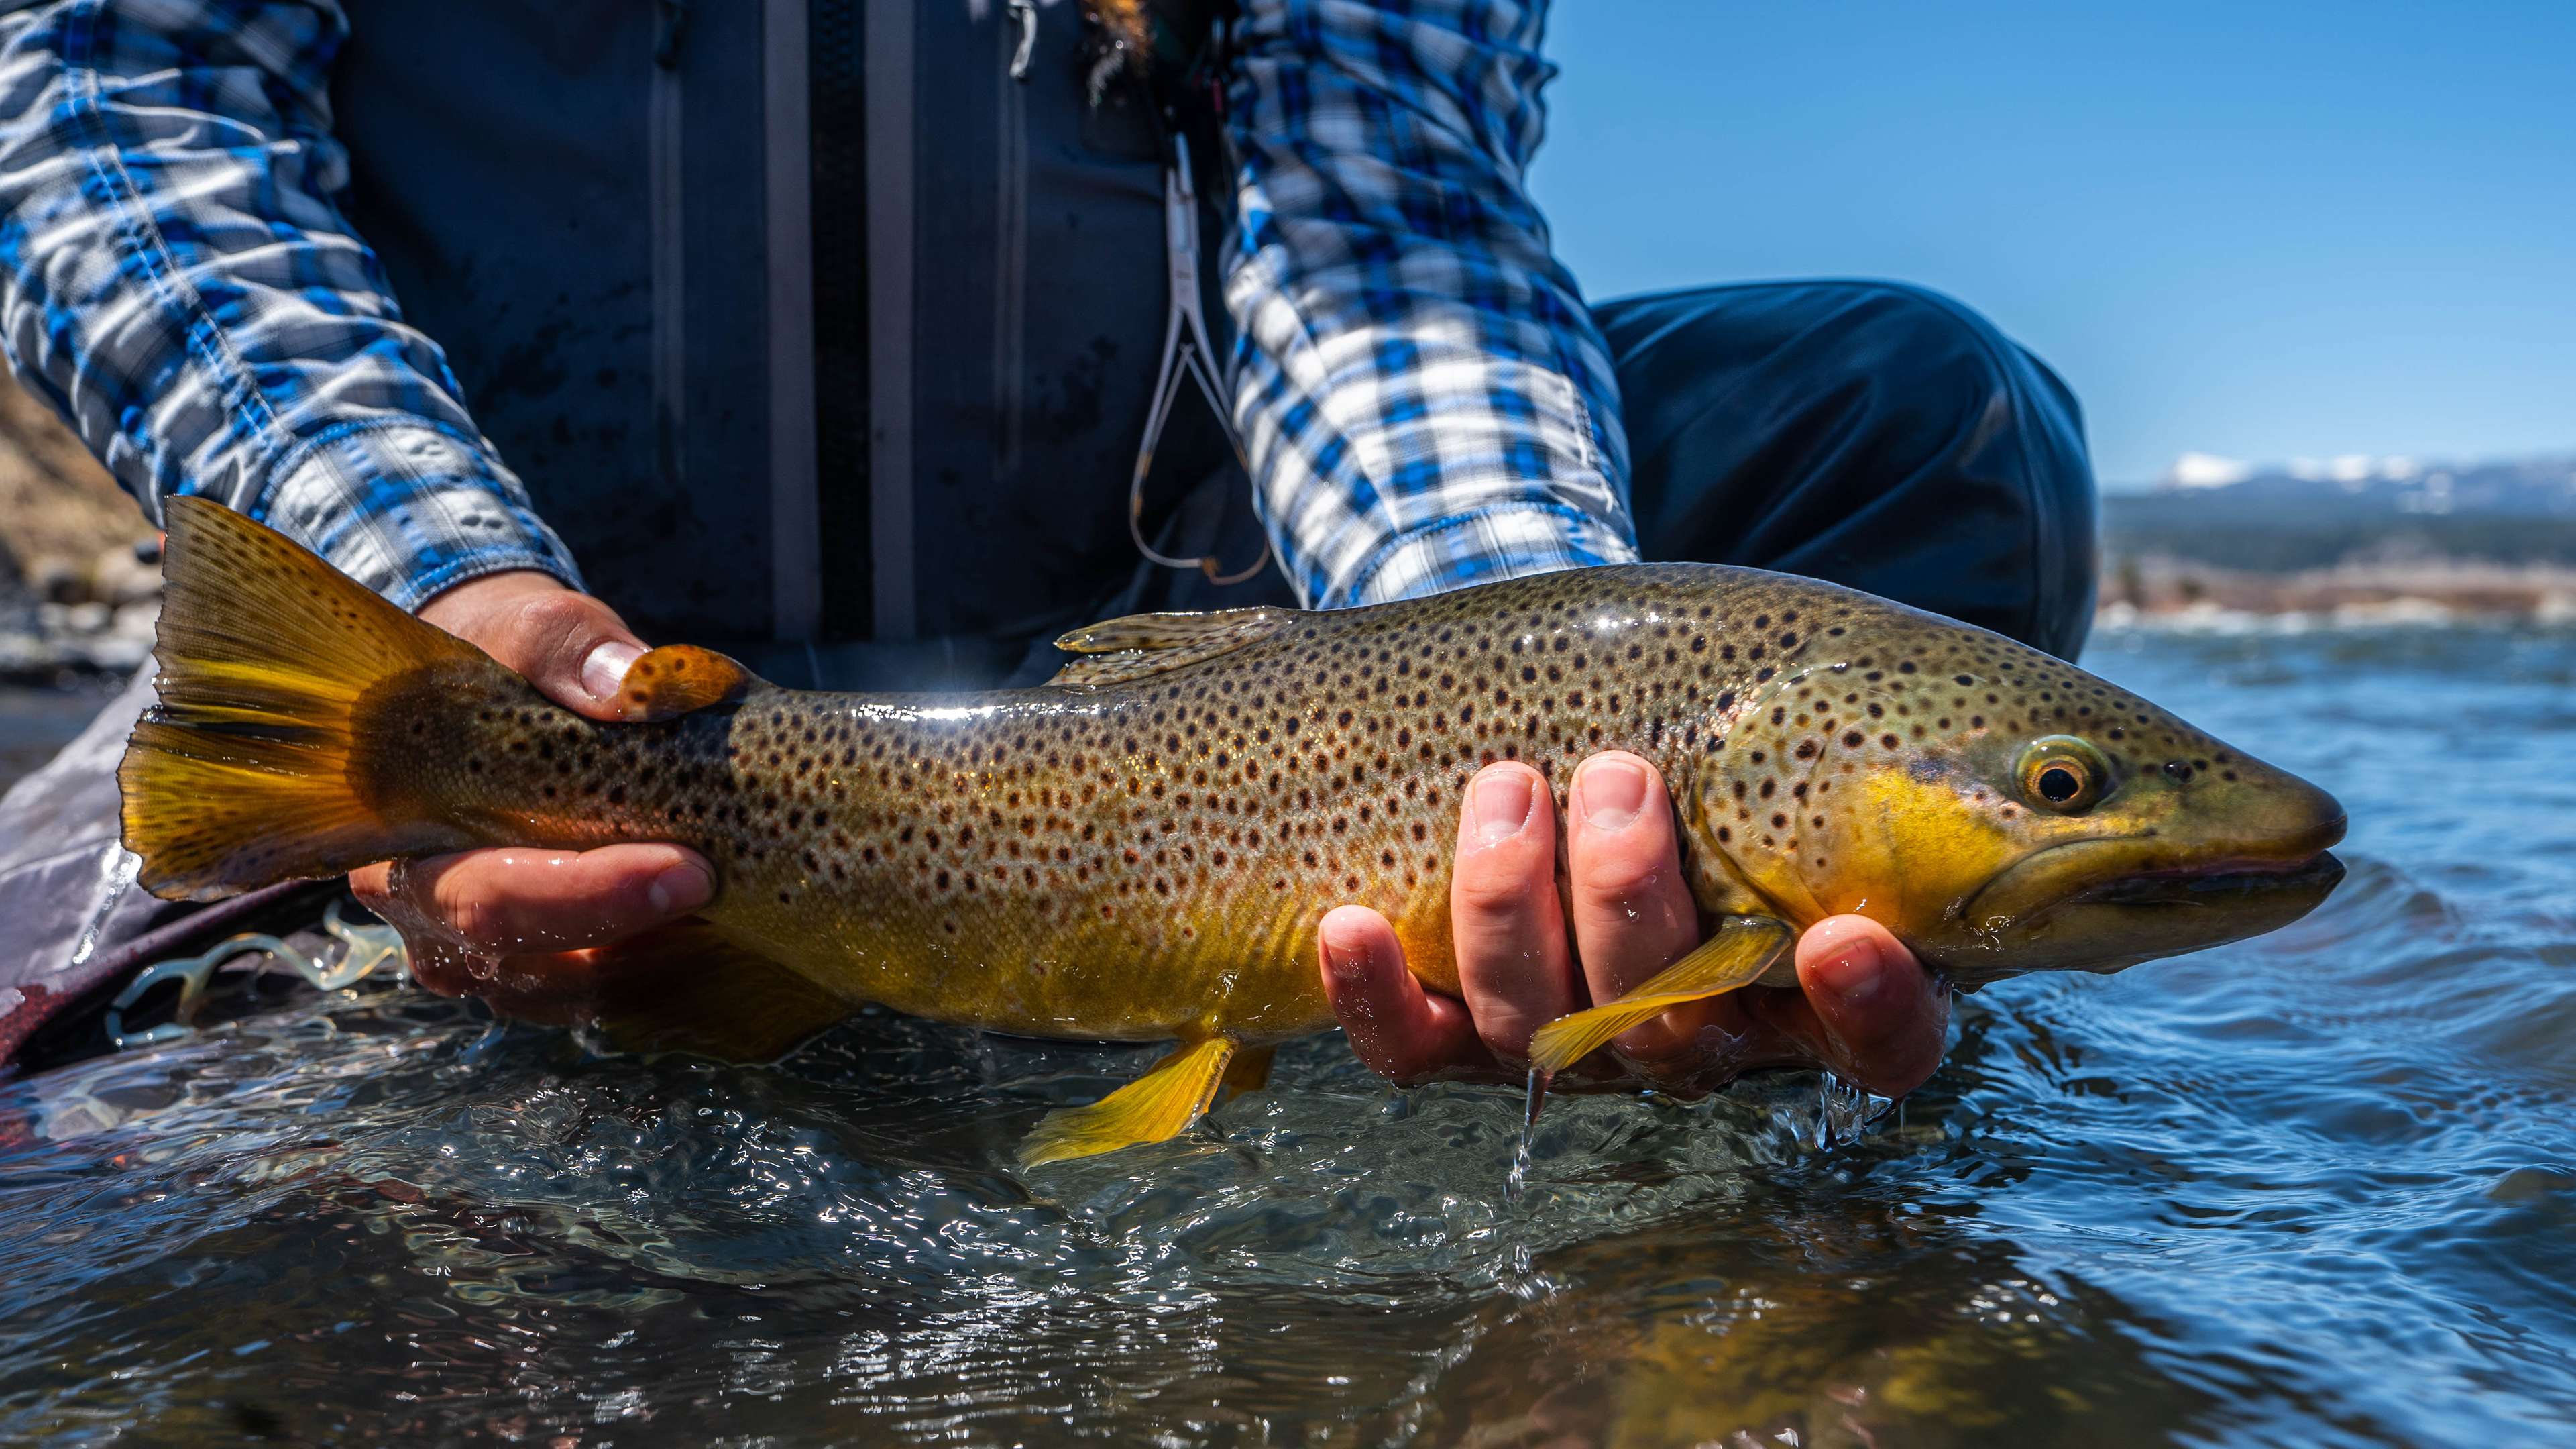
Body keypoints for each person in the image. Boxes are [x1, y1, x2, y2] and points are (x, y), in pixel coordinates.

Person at [0, 0, 2093, 1099]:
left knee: (1917, 411)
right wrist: (442, 588)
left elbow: (1379, 219)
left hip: (1160, 607)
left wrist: (1527, 741)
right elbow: (119, 98)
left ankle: (1648, 1015)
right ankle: (414, 759)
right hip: (528, 582)